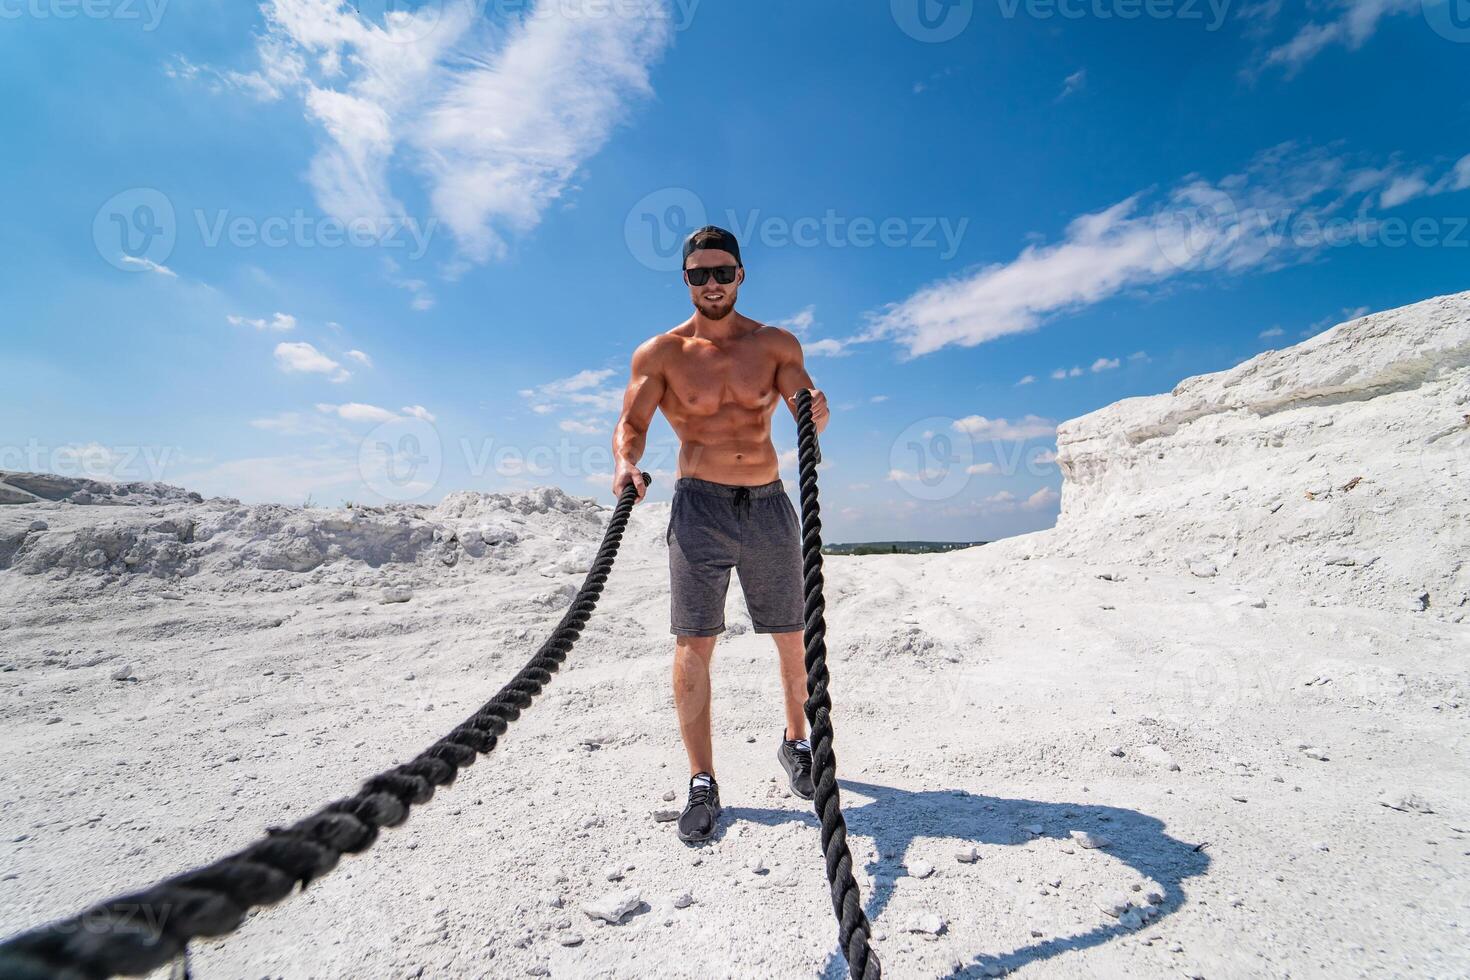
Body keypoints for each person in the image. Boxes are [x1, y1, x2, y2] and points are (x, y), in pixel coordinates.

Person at [612, 225, 831, 843]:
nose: (711, 284)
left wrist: (817, 409)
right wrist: (626, 463)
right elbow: (631, 423)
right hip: (699, 508)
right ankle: (702, 778)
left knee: (793, 636)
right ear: (685, 280)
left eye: (721, 272)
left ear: (741, 274)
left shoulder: (774, 344)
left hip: (768, 505)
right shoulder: (662, 354)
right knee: (694, 642)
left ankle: (795, 742)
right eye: (698, 274)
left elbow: (806, 400)